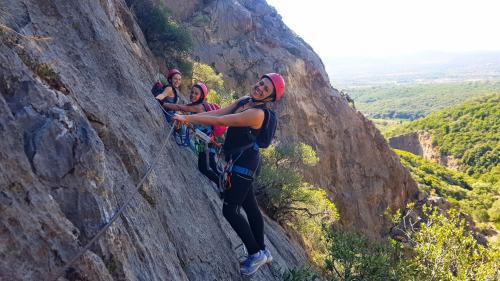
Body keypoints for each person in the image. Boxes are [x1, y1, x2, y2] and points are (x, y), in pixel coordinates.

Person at [173, 73, 285, 276]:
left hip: (245, 165)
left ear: (269, 99)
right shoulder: (245, 101)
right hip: (243, 160)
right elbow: (219, 114)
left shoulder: (257, 114)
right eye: (260, 83)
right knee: (250, 205)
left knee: (230, 210)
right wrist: (190, 118)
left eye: (266, 89)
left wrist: (187, 117)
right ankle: (262, 250)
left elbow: (225, 120)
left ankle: (255, 252)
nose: (260, 88)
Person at [165, 82, 221, 184]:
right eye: (192, 92)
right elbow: (196, 126)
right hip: (206, 141)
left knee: (204, 168)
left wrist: (165, 104)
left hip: (206, 143)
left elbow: (180, 107)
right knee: (212, 166)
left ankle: (222, 186)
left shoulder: (199, 107)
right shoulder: (198, 106)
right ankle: (223, 185)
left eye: (196, 93)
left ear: (201, 96)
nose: (193, 95)